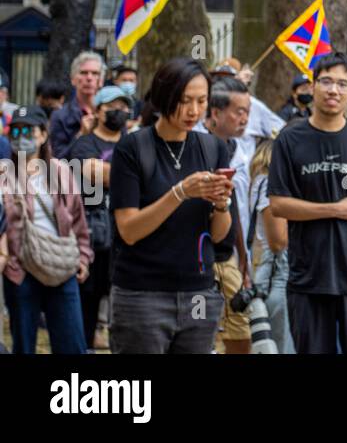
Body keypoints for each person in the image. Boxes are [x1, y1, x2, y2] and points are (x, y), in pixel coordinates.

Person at [108, 58, 233, 354]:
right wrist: (179, 192)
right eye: (184, 100)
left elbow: (218, 235)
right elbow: (128, 230)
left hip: (199, 292)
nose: (193, 110)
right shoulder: (133, 148)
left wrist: (221, 204)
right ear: (165, 97)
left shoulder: (214, 148)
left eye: (201, 101)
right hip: (142, 293)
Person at [268, 52, 347, 354]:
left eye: (342, 84)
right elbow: (279, 204)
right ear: (312, 86)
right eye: (326, 82)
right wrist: (334, 209)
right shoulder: (289, 139)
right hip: (308, 276)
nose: (334, 90)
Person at [1, 107, 91, 354]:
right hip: (20, 272)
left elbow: (77, 218)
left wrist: (83, 256)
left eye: (28, 131)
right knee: (24, 346)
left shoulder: (60, 171)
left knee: (72, 345)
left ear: (42, 135)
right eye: (16, 132)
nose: (22, 138)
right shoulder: (4, 175)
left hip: (61, 266)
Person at [67, 85, 131, 351]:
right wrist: (131, 173)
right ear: (97, 111)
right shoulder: (84, 144)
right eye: (111, 108)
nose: (118, 113)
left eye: (123, 108)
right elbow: (92, 172)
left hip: (127, 235)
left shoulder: (133, 142)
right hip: (94, 235)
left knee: (123, 301)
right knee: (88, 301)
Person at [196, 76, 253, 354]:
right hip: (197, 255)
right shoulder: (194, 144)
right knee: (200, 330)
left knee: (242, 326)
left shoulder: (239, 150)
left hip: (229, 254)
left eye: (247, 112)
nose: (244, 118)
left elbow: (238, 208)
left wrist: (244, 258)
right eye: (238, 111)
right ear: (216, 113)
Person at [248, 137, 293, 353]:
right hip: (278, 276)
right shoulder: (269, 184)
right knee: (281, 345)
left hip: (267, 273)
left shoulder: (258, 182)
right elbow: (278, 241)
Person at [49, 51, 103, 160]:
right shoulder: (60, 116)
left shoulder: (111, 113)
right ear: (73, 79)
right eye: (83, 73)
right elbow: (59, 159)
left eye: (95, 73)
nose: (89, 78)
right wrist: (81, 135)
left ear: (101, 80)